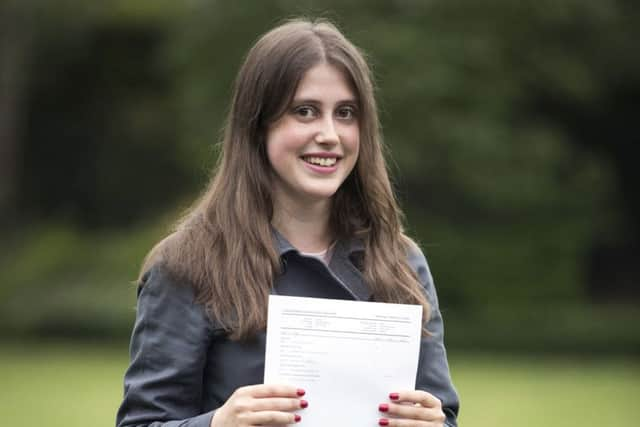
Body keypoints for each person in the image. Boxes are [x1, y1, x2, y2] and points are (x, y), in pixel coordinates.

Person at [116, 18, 459, 427]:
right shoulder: (187, 265)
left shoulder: (402, 262)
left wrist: (431, 423)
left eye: (346, 113)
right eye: (305, 111)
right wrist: (218, 424)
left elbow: (444, 415)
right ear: (257, 125)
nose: (330, 134)